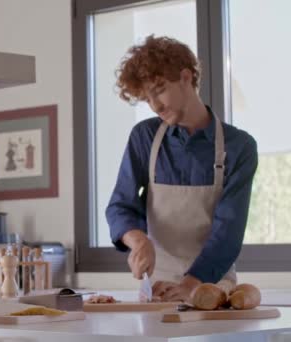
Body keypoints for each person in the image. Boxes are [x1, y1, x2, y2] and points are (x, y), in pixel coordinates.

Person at [106, 35, 258, 302]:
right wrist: (139, 242)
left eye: (160, 90)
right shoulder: (145, 137)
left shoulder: (239, 147)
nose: (155, 106)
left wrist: (193, 283)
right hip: (158, 291)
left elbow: (229, 231)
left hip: (212, 287)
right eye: (147, 98)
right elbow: (120, 206)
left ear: (186, 77)